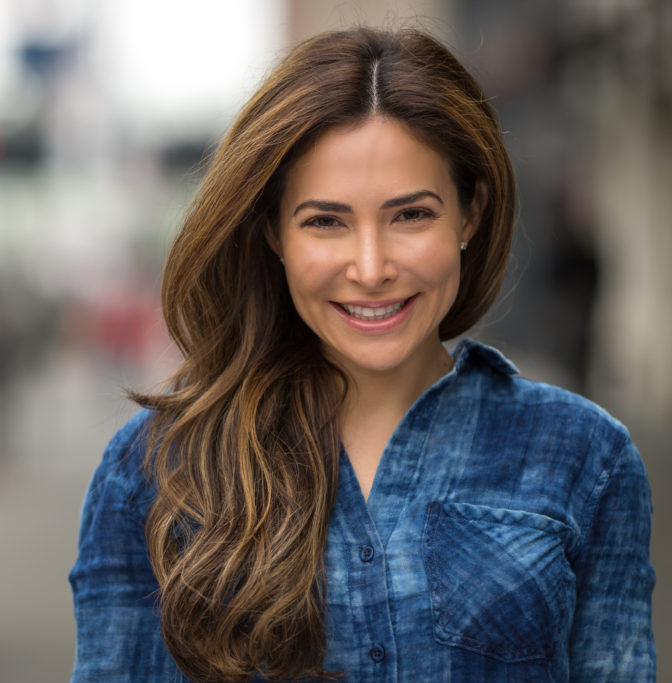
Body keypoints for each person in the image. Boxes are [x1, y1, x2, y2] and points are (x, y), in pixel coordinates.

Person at [68, 27, 655, 682]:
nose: (371, 268)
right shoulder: (151, 470)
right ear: (273, 232)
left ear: (470, 214)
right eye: (325, 221)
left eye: (410, 216)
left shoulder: (586, 456)